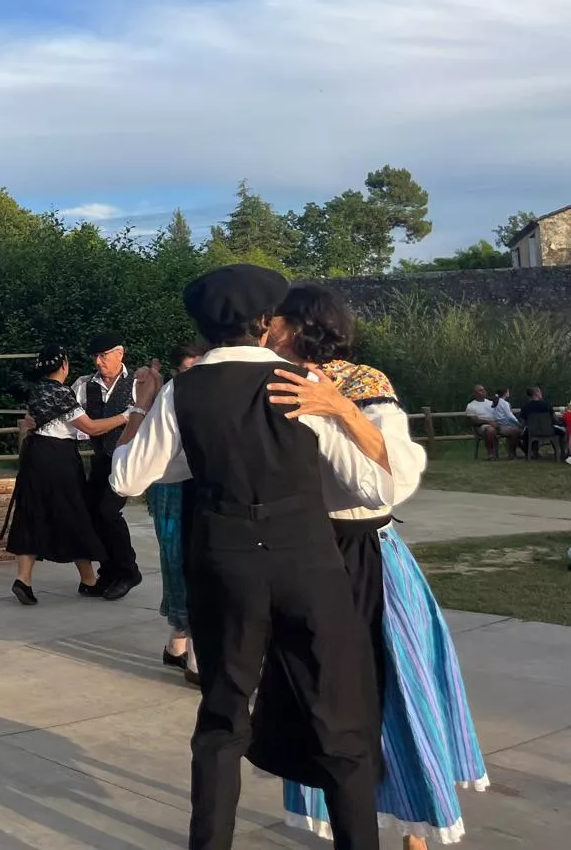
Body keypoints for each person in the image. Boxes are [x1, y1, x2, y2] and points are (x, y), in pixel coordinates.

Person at [111, 264, 393, 850]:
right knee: (338, 721)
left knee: (222, 718)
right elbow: (372, 489)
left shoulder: (182, 391)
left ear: (205, 326)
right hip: (308, 561)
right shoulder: (306, 383)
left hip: (225, 559)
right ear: (265, 323)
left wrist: (144, 407)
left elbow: (127, 477)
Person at [261, 285, 486, 850]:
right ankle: (351, 819)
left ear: (300, 326)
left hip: (369, 552)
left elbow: (397, 480)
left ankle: (414, 823)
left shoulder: (364, 384)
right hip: (307, 550)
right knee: (322, 693)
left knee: (393, 686)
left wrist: (338, 409)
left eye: (277, 321)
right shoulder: (270, 382)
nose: (266, 329)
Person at [3, 346, 109, 605]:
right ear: (64, 366)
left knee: (31, 512)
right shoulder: (61, 393)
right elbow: (91, 427)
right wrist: (128, 416)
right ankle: (89, 581)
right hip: (58, 457)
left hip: (34, 454)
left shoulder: (38, 389)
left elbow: (30, 420)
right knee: (73, 512)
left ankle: (23, 580)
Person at [145, 343, 204, 686]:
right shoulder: (169, 397)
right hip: (172, 487)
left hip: (199, 485)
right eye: (186, 370)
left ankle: (178, 645)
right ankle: (194, 658)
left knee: (190, 561)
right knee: (178, 559)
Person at [74, 333, 143, 600]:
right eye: (95, 357)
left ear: (120, 354)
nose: (99, 362)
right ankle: (109, 571)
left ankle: (128, 571)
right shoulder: (84, 385)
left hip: (128, 458)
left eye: (104, 355)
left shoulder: (138, 383)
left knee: (107, 511)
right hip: (102, 458)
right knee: (91, 512)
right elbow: (69, 414)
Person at [464, 384, 521, 460]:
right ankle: (491, 454)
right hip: (482, 425)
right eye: (480, 390)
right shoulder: (471, 405)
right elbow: (474, 421)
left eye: (484, 390)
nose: (484, 391)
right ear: (475, 393)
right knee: (490, 430)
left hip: (497, 424)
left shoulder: (491, 402)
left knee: (515, 430)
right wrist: (488, 422)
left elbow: (500, 412)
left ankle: (512, 452)